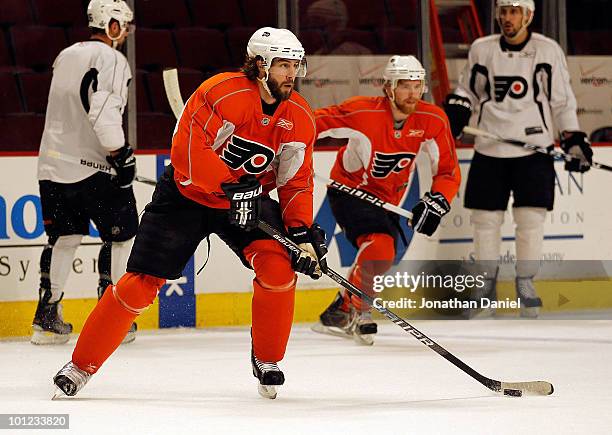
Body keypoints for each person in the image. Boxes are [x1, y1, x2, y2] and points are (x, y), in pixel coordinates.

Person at [52, 27, 327, 400]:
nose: (291, 74)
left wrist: (300, 232)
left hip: (247, 200)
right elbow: (187, 153)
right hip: (186, 196)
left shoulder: (299, 116)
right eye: (283, 65)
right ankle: (82, 364)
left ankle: (268, 360)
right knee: (139, 284)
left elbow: (296, 180)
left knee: (279, 267)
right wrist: (229, 188)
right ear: (260, 65)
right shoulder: (222, 92)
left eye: (296, 66)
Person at [443, 0, 593, 318]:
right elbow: (467, 91)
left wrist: (574, 138)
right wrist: (457, 108)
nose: (507, 18)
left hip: (533, 148)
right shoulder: (482, 49)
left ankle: (525, 282)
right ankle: (486, 287)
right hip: (489, 146)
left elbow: (562, 99)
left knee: (530, 220)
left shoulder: (547, 49)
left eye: (514, 11)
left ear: (529, 15)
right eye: (503, 11)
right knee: (485, 222)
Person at [312, 55, 461, 344]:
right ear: (388, 88)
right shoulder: (362, 112)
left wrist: (439, 199)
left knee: (381, 256)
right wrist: (282, 146)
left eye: (418, 86)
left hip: (388, 199)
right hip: (349, 191)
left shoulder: (432, 119)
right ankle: (359, 311)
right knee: (381, 248)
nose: (413, 94)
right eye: (405, 86)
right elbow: (312, 124)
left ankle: (340, 311)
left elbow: (447, 169)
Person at [33, 0, 138, 345]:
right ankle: (113, 317)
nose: (125, 32)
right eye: (123, 24)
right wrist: (120, 154)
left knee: (64, 238)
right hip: (96, 167)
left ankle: (47, 317)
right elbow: (103, 111)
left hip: (52, 164)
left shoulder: (66, 55)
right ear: (110, 24)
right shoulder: (113, 59)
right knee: (120, 237)